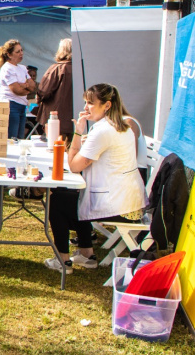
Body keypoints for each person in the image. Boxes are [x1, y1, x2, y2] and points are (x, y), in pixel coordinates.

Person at [45, 83, 148, 274]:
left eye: (90, 103)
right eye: (85, 102)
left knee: (58, 200)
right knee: (74, 196)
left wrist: (78, 132)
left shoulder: (103, 130)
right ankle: (86, 254)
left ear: (107, 105)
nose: (85, 107)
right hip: (128, 199)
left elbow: (74, 165)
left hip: (121, 204)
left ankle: (63, 261)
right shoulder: (119, 125)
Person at [0, 39, 36, 139]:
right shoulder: (7, 68)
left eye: (21, 50)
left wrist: (24, 85)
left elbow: (33, 86)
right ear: (9, 54)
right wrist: (26, 86)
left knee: (20, 137)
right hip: (11, 105)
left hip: (22, 105)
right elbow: (16, 90)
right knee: (12, 137)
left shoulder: (23, 68)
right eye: (17, 52)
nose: (21, 54)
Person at [36, 39, 74, 138]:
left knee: (55, 148)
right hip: (76, 121)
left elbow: (43, 91)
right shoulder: (81, 68)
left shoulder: (57, 68)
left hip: (56, 119)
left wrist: (38, 99)